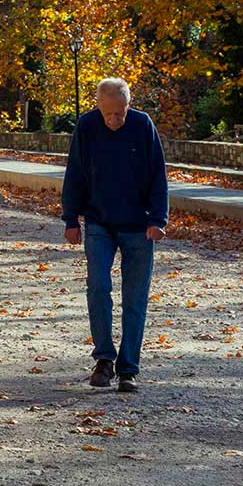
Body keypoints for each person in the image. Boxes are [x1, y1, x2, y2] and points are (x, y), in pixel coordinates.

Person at [62, 77, 169, 393]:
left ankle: (128, 368)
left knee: (135, 298)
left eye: (120, 112)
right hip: (99, 223)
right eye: (109, 114)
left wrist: (159, 218)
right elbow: (75, 173)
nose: (115, 120)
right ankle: (104, 359)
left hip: (138, 225)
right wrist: (71, 219)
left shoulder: (142, 125)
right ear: (99, 107)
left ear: (129, 105)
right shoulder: (87, 126)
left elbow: (157, 174)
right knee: (98, 287)